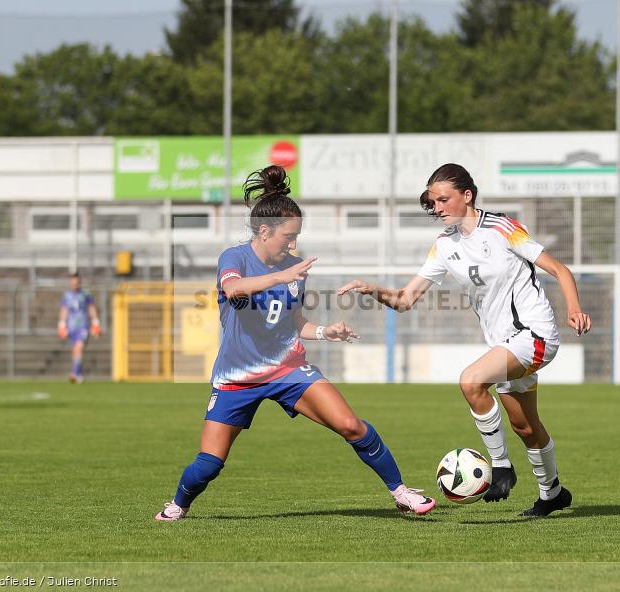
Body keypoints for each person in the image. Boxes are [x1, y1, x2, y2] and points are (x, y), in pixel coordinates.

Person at [155, 165, 435, 521]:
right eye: (288, 236)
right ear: (265, 230)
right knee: (209, 464)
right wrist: (280, 276)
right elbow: (233, 289)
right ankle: (177, 505)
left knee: (350, 425)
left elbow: (293, 322)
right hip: (237, 377)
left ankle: (401, 491)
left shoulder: (295, 268)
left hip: (288, 368)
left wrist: (324, 332)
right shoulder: (235, 258)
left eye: (297, 236)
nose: (294, 243)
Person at [338, 163, 592, 517]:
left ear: (467, 195)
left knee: (471, 382)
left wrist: (574, 308)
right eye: (432, 202)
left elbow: (560, 270)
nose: (437, 207)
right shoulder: (443, 246)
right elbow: (404, 300)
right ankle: (552, 493)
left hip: (534, 334)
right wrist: (373, 289)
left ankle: (500, 465)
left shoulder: (503, 228)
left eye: (444, 199)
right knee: (525, 427)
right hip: (505, 343)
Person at [58, 272, 101, 383]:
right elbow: (64, 310)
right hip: (72, 327)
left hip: (83, 326)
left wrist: (95, 322)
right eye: (73, 282)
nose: (75, 284)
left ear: (79, 282)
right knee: (75, 351)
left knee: (79, 348)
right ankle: (79, 375)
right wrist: (62, 324)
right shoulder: (67, 296)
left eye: (77, 282)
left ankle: (74, 373)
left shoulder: (85, 294)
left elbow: (91, 308)